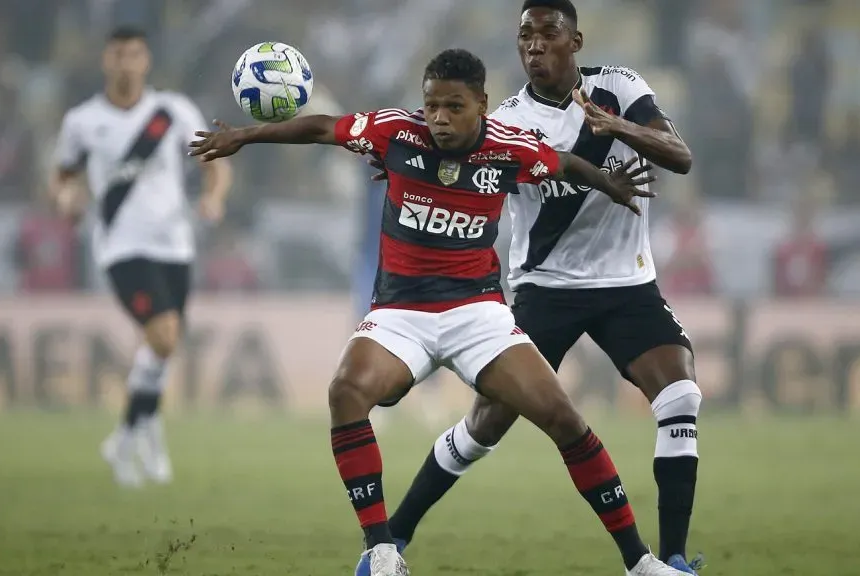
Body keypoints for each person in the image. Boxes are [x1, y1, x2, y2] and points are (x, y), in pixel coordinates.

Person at [190, 48, 686, 576]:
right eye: (432, 106)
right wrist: (243, 136)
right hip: (401, 312)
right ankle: (382, 550)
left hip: (479, 314)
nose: (440, 119)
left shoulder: (509, 147)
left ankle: (641, 563)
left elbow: (562, 162)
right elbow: (322, 127)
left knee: (564, 419)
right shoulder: (396, 133)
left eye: (454, 107)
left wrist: (608, 183)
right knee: (345, 391)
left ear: (481, 105)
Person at [360, 1, 705, 574]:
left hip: (627, 283)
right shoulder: (509, 122)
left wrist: (614, 125)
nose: (535, 45)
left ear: (576, 41)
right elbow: (445, 150)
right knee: (485, 425)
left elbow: (681, 157)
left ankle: (671, 559)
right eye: (525, 36)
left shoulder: (620, 88)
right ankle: (394, 535)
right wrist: (407, 164)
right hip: (545, 287)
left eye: (549, 33)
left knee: (681, 396)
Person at [49, 26, 233, 487]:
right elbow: (62, 176)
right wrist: (65, 198)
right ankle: (138, 433)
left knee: (161, 348)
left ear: (146, 61)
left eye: (134, 54)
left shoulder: (171, 111)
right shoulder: (83, 121)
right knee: (165, 336)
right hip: (121, 246)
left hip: (175, 244)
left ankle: (133, 435)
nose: (126, 63)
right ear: (105, 61)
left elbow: (215, 162)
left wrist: (214, 197)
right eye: (117, 55)